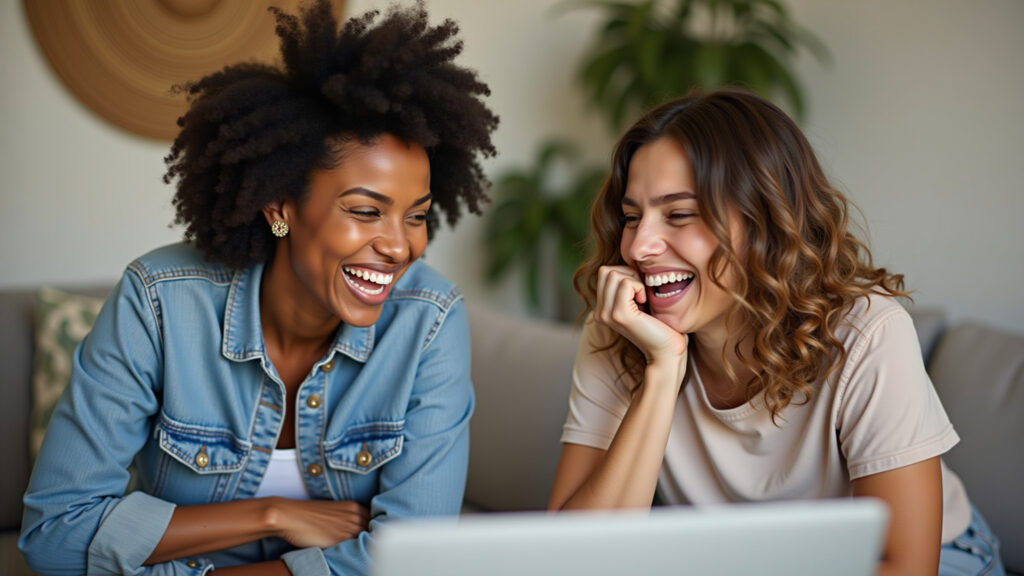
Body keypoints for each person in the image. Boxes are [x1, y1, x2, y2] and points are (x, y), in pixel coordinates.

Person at [20, 1, 498, 574]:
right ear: (280, 206)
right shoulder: (160, 302)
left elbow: (412, 560)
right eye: (366, 211)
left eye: (416, 216)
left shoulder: (429, 322)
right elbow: (54, 536)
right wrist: (268, 514)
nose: (400, 247)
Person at [548, 89, 1004, 576]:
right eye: (633, 216)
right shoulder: (621, 330)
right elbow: (572, 558)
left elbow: (905, 565)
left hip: (940, 557)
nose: (639, 246)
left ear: (764, 221)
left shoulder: (868, 332)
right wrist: (661, 373)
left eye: (679, 214)